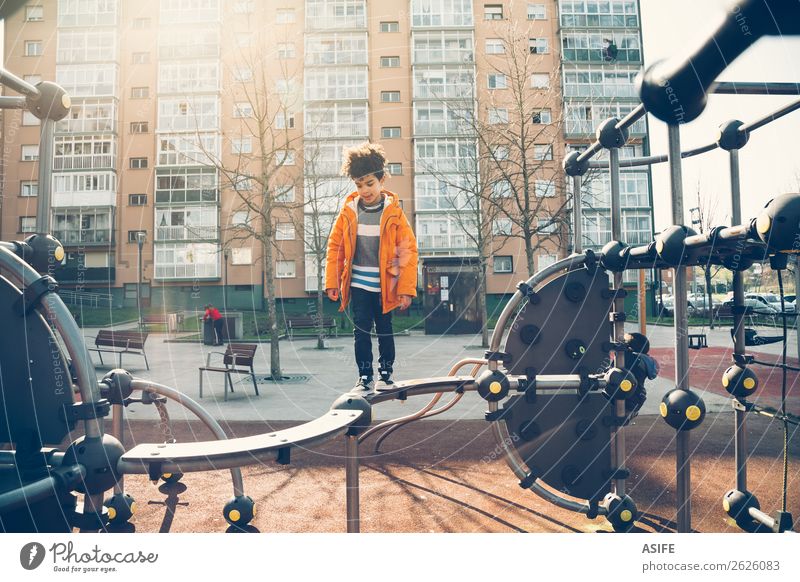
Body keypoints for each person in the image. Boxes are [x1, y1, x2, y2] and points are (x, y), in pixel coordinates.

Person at [325, 142, 418, 391]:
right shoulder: (349, 212)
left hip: (384, 284)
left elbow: (408, 251)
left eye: (369, 183)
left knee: (385, 329)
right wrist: (332, 282)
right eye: (358, 184)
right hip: (359, 283)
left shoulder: (394, 214)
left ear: (381, 180)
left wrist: (406, 289)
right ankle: (365, 375)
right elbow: (335, 248)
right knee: (361, 330)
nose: (364, 190)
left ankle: (385, 372)